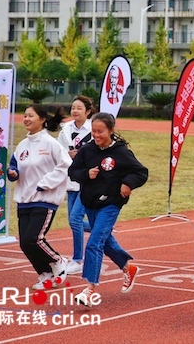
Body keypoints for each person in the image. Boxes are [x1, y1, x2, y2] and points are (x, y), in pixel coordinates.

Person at [69, 112, 148, 306]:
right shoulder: (87, 150)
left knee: (94, 243)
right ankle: (128, 268)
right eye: (94, 131)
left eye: (100, 131)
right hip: (90, 202)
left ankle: (90, 289)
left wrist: (128, 183)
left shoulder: (121, 153)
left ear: (111, 131)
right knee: (104, 241)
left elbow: (141, 172)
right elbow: (73, 172)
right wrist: (86, 174)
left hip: (111, 204)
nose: (96, 135)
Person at [7, 104, 71, 291]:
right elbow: (15, 167)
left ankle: (57, 260)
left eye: (31, 116)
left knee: (35, 238)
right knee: (25, 243)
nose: (26, 119)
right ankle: (45, 274)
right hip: (24, 199)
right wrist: (12, 173)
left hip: (45, 199)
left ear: (42, 119)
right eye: (25, 115)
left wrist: (46, 183)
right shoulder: (22, 146)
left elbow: (65, 166)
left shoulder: (50, 143)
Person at [57, 95, 95, 275]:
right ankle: (101, 227)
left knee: (74, 219)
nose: (75, 111)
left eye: (79, 108)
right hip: (72, 180)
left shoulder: (94, 128)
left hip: (88, 180)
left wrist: (80, 156)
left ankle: (78, 259)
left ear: (88, 111)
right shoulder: (65, 129)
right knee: (74, 220)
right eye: (73, 107)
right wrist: (67, 154)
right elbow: (58, 151)